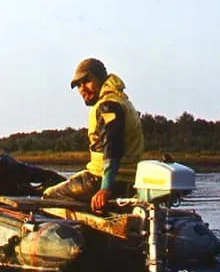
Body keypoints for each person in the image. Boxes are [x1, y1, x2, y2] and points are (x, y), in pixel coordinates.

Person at [42, 58, 144, 212]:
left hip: (101, 179)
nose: (82, 89)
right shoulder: (122, 101)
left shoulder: (108, 106)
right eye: (78, 85)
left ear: (101, 78)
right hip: (130, 181)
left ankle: (81, 230)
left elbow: (112, 148)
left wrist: (105, 189)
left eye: (87, 81)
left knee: (49, 196)